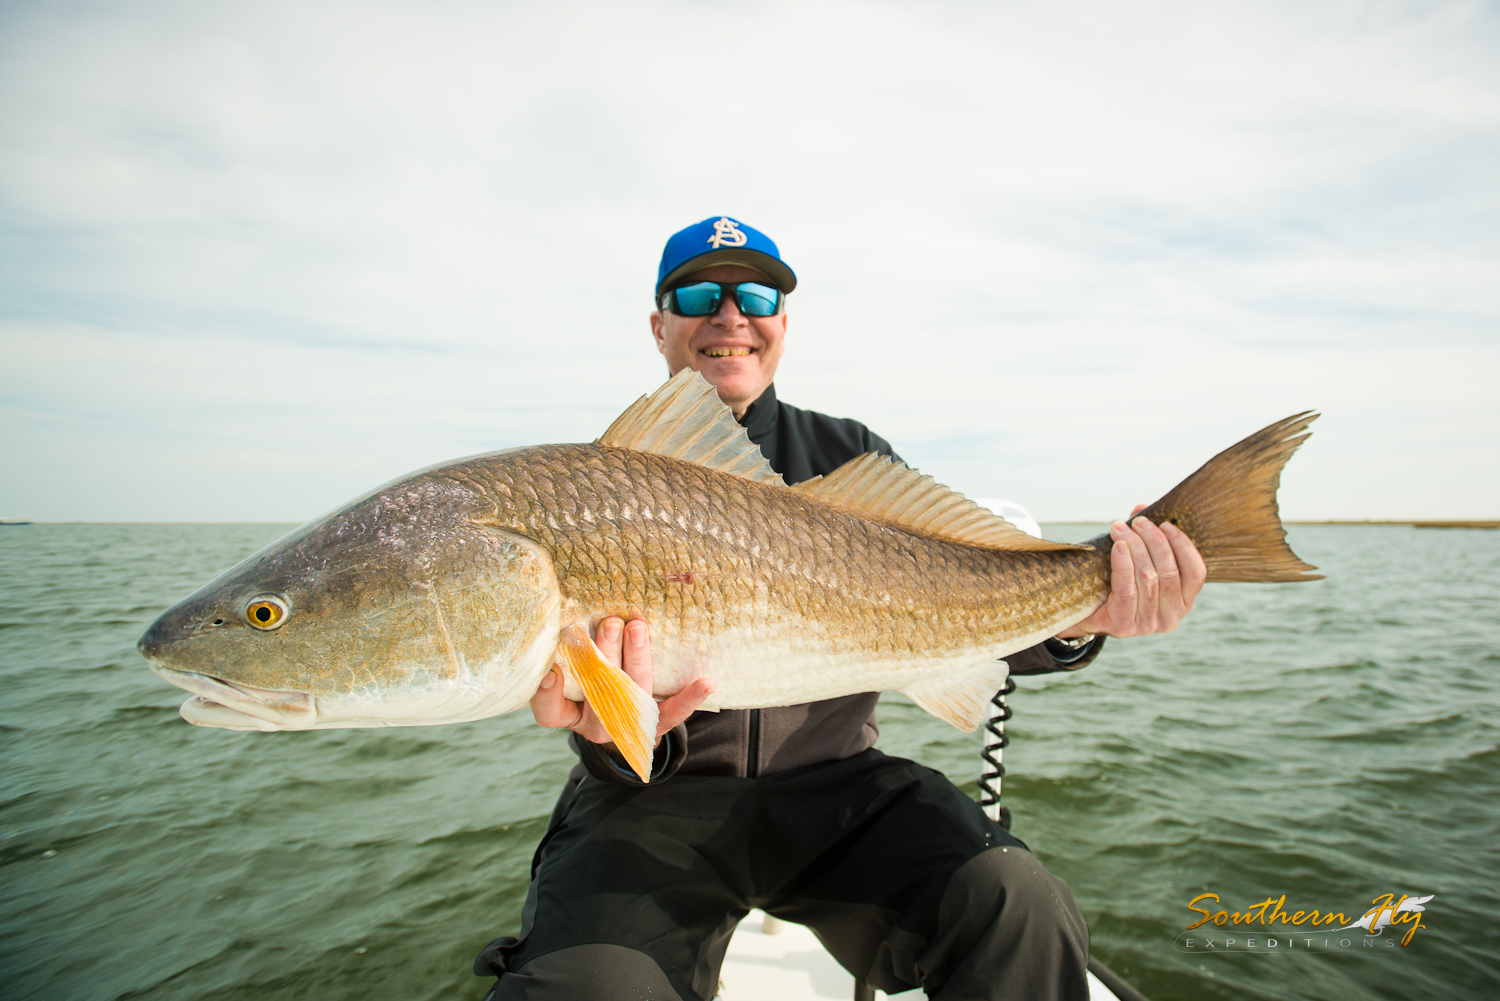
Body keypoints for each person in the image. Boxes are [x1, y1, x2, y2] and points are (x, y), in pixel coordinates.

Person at [474, 216, 1206, 1000]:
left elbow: (959, 600)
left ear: (782, 323)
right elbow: (601, 713)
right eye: (698, 293)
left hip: (837, 789)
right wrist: (607, 729)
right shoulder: (596, 488)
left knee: (1017, 904)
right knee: (588, 989)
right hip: (649, 803)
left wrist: (1084, 617)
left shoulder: (853, 455)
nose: (730, 316)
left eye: (755, 294)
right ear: (660, 325)